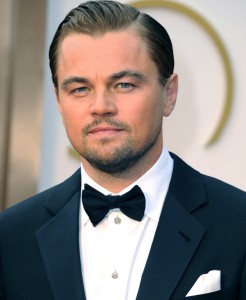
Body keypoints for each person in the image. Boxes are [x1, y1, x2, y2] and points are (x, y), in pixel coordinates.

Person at [0, 1, 245, 299]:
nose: (101, 106)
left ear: (169, 94)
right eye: (80, 89)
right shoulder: (10, 237)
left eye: (124, 85)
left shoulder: (238, 223)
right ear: (59, 102)